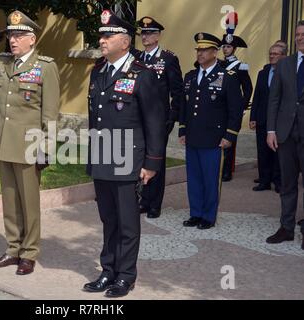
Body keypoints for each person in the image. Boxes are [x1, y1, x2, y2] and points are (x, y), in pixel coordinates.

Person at [0, 10, 60, 274]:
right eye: (10, 35)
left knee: (29, 204)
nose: (13, 40)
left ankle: (29, 253)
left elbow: (50, 114)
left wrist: (46, 149)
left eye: (18, 35)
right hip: (4, 144)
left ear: (32, 39)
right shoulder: (1, 63)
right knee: (9, 201)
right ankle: (12, 249)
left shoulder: (46, 67)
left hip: (29, 147)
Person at [82, 10, 165, 298]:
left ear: (125, 41)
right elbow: (96, 118)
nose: (102, 40)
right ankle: (108, 270)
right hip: (103, 156)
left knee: (128, 222)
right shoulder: (98, 70)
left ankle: (126, 275)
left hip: (128, 159)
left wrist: (152, 162)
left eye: (108, 35)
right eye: (101, 35)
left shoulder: (143, 75)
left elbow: (155, 121)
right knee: (108, 219)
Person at [179, 32, 243, 230]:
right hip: (193, 136)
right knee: (194, 178)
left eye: (205, 50)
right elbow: (184, 106)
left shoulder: (227, 77)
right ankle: (196, 213)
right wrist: (182, 129)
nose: (200, 53)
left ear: (215, 52)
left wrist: (230, 135)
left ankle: (208, 215)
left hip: (214, 138)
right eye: (198, 50)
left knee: (210, 178)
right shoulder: (190, 76)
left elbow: (236, 109)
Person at [133, 16, 185, 219]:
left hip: (158, 120)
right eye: (143, 33)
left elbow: (177, 92)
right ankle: (143, 199)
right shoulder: (136, 58)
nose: (144, 37)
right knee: (140, 159)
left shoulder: (168, 59)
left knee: (156, 162)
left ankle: (155, 203)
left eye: (149, 33)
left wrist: (171, 118)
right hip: (138, 120)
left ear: (158, 35)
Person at [266, 21, 304, 251]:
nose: (300, 38)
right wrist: (271, 130)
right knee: (288, 184)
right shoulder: (285, 64)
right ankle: (286, 228)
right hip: (286, 133)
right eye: (298, 34)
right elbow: (274, 99)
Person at [219, 13, 253, 182]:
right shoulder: (217, 64)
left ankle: (227, 171)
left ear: (234, 48)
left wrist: (242, 105)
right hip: (218, 108)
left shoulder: (240, 66)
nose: (225, 49)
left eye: (228, 47)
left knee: (229, 139)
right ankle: (217, 167)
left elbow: (248, 88)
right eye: (223, 46)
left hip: (232, 109)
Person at [250, 44, 286, 193]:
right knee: (263, 151)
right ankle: (264, 181)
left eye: (276, 54)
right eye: (270, 53)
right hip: (262, 118)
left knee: (278, 153)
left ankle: (278, 182)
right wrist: (253, 117)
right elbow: (257, 95)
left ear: (283, 56)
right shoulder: (263, 73)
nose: (272, 56)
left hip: (280, 120)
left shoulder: (287, 73)